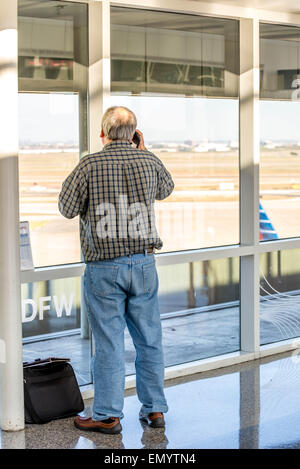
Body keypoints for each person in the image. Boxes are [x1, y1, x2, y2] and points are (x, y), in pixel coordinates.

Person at [58, 106, 174, 434]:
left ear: (103, 133)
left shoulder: (89, 165)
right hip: (143, 263)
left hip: (104, 266)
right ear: (135, 133)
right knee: (150, 340)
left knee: (109, 341)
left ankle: (107, 415)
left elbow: (66, 208)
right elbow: (166, 189)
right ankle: (154, 411)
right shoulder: (148, 160)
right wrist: (144, 149)